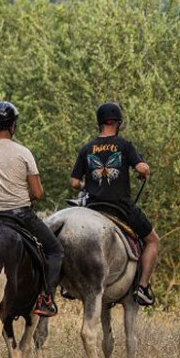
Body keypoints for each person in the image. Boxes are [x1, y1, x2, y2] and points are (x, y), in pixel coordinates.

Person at [0, 101, 63, 316]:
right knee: (55, 250)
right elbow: (38, 192)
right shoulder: (23, 153)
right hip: (20, 215)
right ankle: (45, 297)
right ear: (13, 126)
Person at [69, 102, 160, 306]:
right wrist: (142, 169)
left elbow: (73, 182)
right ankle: (143, 287)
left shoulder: (87, 148)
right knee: (153, 240)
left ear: (99, 123)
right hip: (120, 207)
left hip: (93, 208)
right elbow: (143, 169)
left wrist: (87, 184)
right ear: (117, 123)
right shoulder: (124, 145)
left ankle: (69, 284)